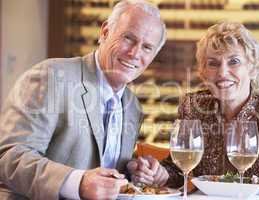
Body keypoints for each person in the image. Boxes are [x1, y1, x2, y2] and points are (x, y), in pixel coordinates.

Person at [0, 0, 166, 199]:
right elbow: (9, 155)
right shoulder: (52, 76)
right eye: (128, 38)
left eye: (147, 47)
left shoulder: (132, 107)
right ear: (105, 32)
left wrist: (134, 170)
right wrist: (78, 182)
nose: (134, 53)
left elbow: (104, 169)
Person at [127, 21, 259, 196]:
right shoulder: (193, 107)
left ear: (253, 68)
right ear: (203, 71)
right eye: (213, 63)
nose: (222, 72)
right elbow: (179, 167)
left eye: (234, 61)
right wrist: (160, 173)